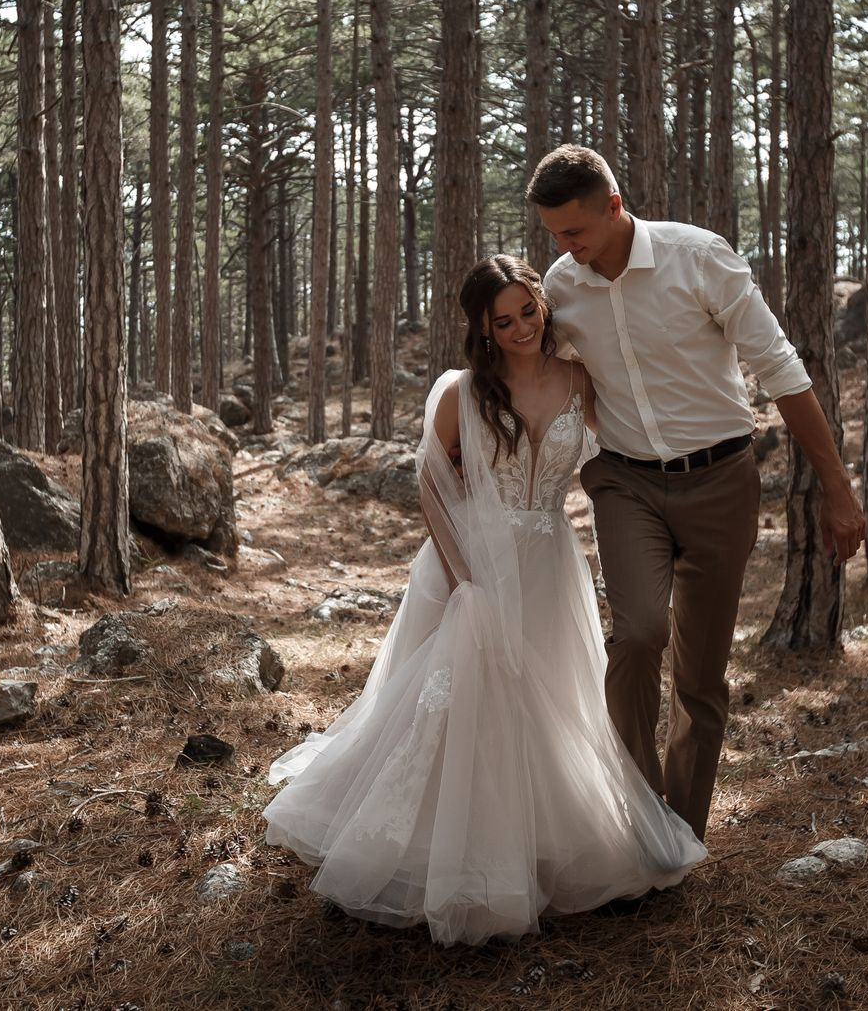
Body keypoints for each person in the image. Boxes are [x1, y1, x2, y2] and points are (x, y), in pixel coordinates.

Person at [263, 255, 705, 945]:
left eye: (529, 309)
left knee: (553, 699)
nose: (523, 326)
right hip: (471, 560)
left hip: (550, 564)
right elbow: (430, 483)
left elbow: (625, 446)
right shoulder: (463, 392)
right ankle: (453, 852)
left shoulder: (578, 379)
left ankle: (547, 840)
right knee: (461, 699)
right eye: (505, 319)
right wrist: (464, 577)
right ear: (484, 328)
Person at [528, 145, 865, 841]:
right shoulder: (561, 285)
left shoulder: (699, 258)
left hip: (721, 481)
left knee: (700, 676)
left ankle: (680, 833)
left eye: (574, 232)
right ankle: (635, 820)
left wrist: (837, 486)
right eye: (553, 234)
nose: (563, 248)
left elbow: (780, 368)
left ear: (614, 207)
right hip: (624, 482)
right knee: (639, 632)